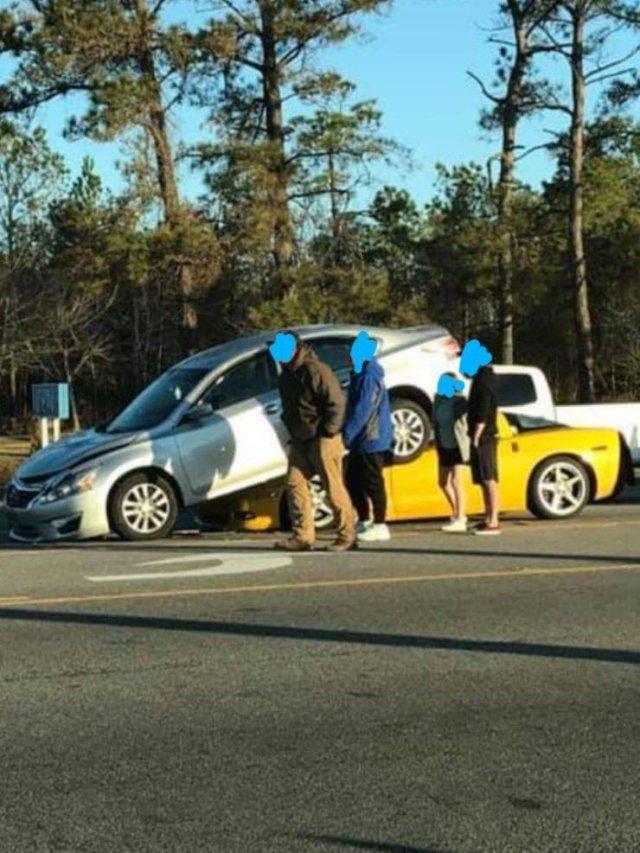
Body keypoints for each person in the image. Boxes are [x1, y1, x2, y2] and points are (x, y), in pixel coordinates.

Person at [275, 332, 357, 552]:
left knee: (333, 486)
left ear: (295, 348)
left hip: (322, 437)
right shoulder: (286, 375)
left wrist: (329, 432)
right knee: (294, 483)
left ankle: (347, 535)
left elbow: (337, 402)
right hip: (300, 439)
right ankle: (303, 536)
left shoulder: (316, 370)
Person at [343, 350, 394, 543]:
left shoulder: (369, 377)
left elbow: (362, 410)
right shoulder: (360, 375)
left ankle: (380, 524)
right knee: (353, 480)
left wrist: (347, 434)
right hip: (361, 440)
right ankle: (364, 519)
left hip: (372, 438)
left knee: (373, 482)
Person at [433, 373, 470, 533]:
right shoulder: (438, 399)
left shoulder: (460, 400)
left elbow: (466, 420)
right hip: (443, 444)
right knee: (443, 482)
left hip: (457, 444)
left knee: (456, 481)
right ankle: (457, 511)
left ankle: (460, 517)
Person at [467, 364, 500, 534]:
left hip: (485, 436)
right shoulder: (480, 380)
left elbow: (483, 411)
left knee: (489, 478)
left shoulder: (484, 383)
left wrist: (477, 435)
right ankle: (488, 517)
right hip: (481, 435)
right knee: (482, 479)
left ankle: (494, 520)